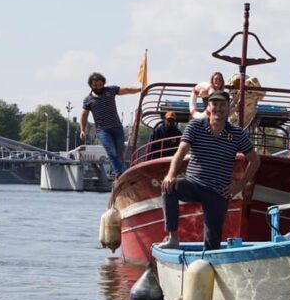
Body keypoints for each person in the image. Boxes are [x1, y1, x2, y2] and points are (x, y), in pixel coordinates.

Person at [160, 90, 260, 250]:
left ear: (228, 108)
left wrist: (239, 186)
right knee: (168, 188)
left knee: (212, 244)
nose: (218, 108)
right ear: (208, 107)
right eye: (215, 104)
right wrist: (171, 175)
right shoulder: (195, 126)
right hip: (193, 184)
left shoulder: (237, 133)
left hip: (218, 191)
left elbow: (255, 160)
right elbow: (181, 151)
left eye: (222, 105)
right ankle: (173, 238)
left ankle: (209, 264)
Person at [80, 72, 143, 177]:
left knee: (119, 154)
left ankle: (123, 173)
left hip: (117, 127)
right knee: (112, 152)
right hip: (103, 130)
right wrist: (82, 130)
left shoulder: (110, 90)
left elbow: (126, 90)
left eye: (100, 85)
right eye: (95, 85)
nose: (98, 87)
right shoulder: (88, 100)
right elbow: (83, 116)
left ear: (103, 84)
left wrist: (139, 89)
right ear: (91, 85)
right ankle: (120, 173)